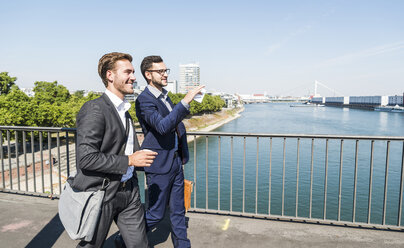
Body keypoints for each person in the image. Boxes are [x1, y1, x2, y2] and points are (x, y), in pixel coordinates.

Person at [69, 52, 157, 248]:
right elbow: (86, 158)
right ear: (110, 75)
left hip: (130, 192)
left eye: (133, 72)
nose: (134, 77)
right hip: (103, 194)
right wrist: (130, 161)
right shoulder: (95, 109)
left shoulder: (124, 110)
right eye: (128, 72)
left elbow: (124, 148)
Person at [135, 55, 204, 248]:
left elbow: (175, 123)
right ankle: (125, 240)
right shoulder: (144, 100)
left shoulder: (165, 96)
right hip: (158, 164)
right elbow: (163, 127)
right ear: (148, 75)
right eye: (161, 71)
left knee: (178, 211)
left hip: (174, 161)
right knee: (156, 214)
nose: (165, 74)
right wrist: (184, 102)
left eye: (166, 71)